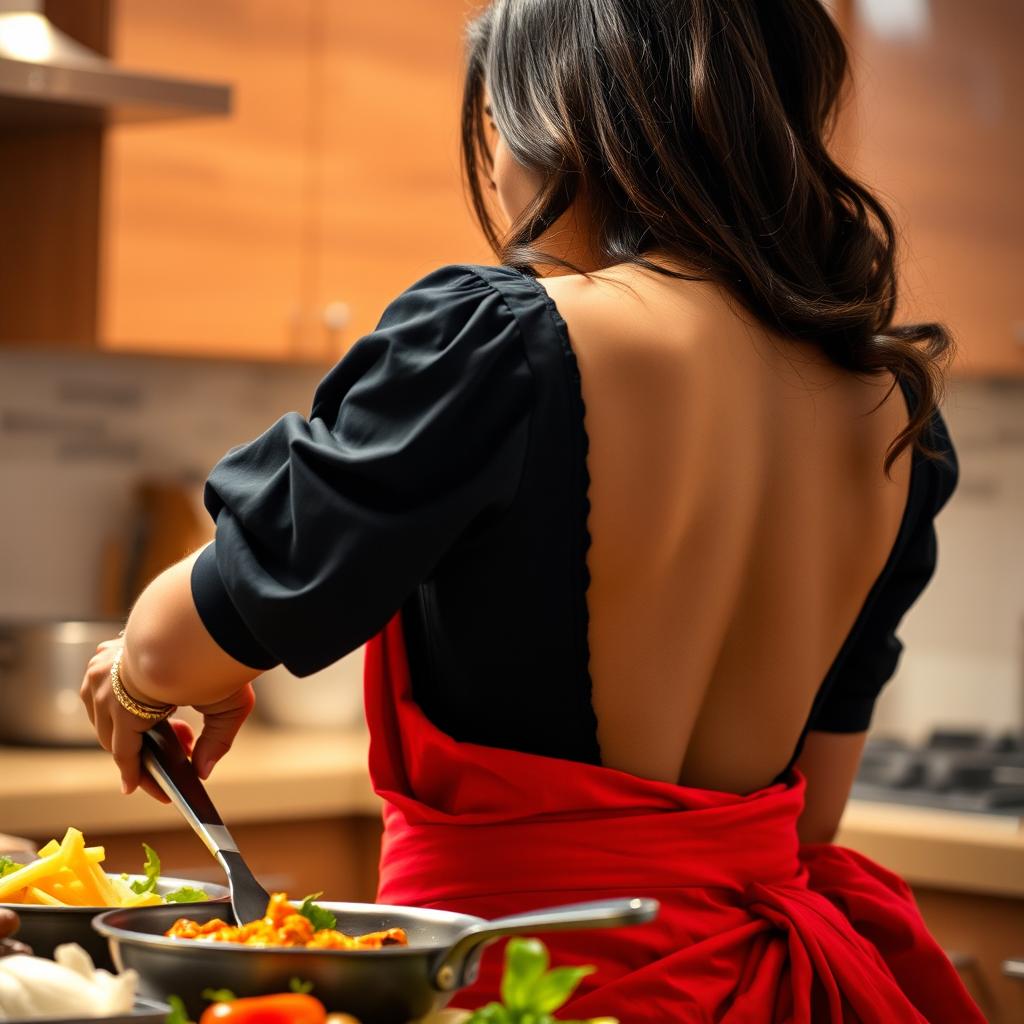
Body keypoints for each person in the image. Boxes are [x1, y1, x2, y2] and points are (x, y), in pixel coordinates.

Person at [81, 1, 984, 1020]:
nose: (502, 172)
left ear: (560, 112)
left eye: (498, 126)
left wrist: (140, 672)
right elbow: (811, 815)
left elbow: (177, 642)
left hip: (515, 990)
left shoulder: (501, 345)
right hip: (758, 991)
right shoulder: (894, 416)